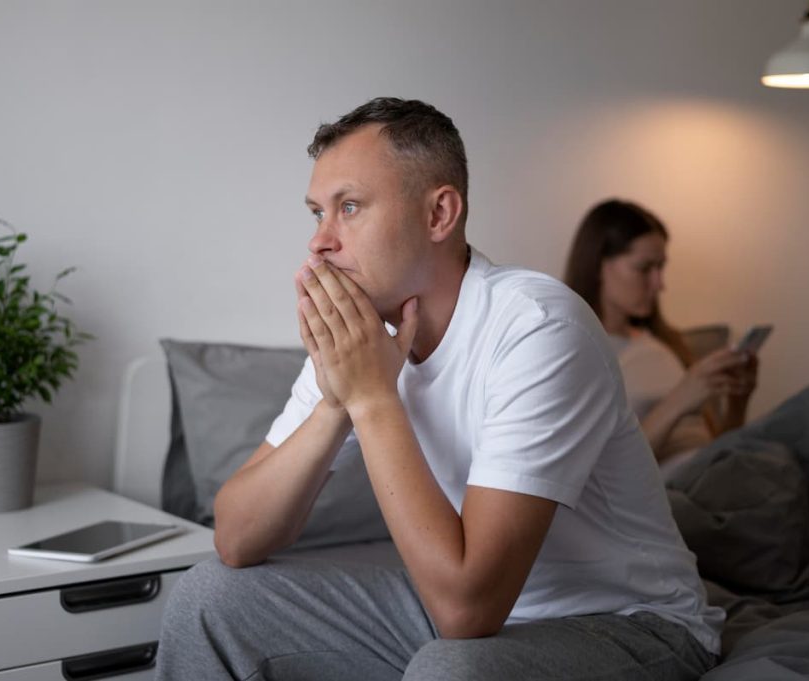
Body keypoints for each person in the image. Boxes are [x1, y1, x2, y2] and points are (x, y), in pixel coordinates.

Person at [155, 98, 722, 681]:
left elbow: (467, 609)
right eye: (315, 213)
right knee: (211, 598)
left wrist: (373, 400)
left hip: (629, 620)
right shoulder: (362, 338)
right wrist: (336, 403)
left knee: (453, 669)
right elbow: (236, 538)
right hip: (455, 605)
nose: (319, 242)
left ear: (439, 214)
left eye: (348, 207)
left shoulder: (538, 328)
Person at [563, 199, 759, 474]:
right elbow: (604, 472)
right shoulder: (575, 351)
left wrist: (740, 400)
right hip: (673, 490)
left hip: (715, 474)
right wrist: (681, 399)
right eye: (644, 268)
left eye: (661, 268)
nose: (659, 284)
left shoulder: (667, 342)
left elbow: (720, 447)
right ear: (599, 266)